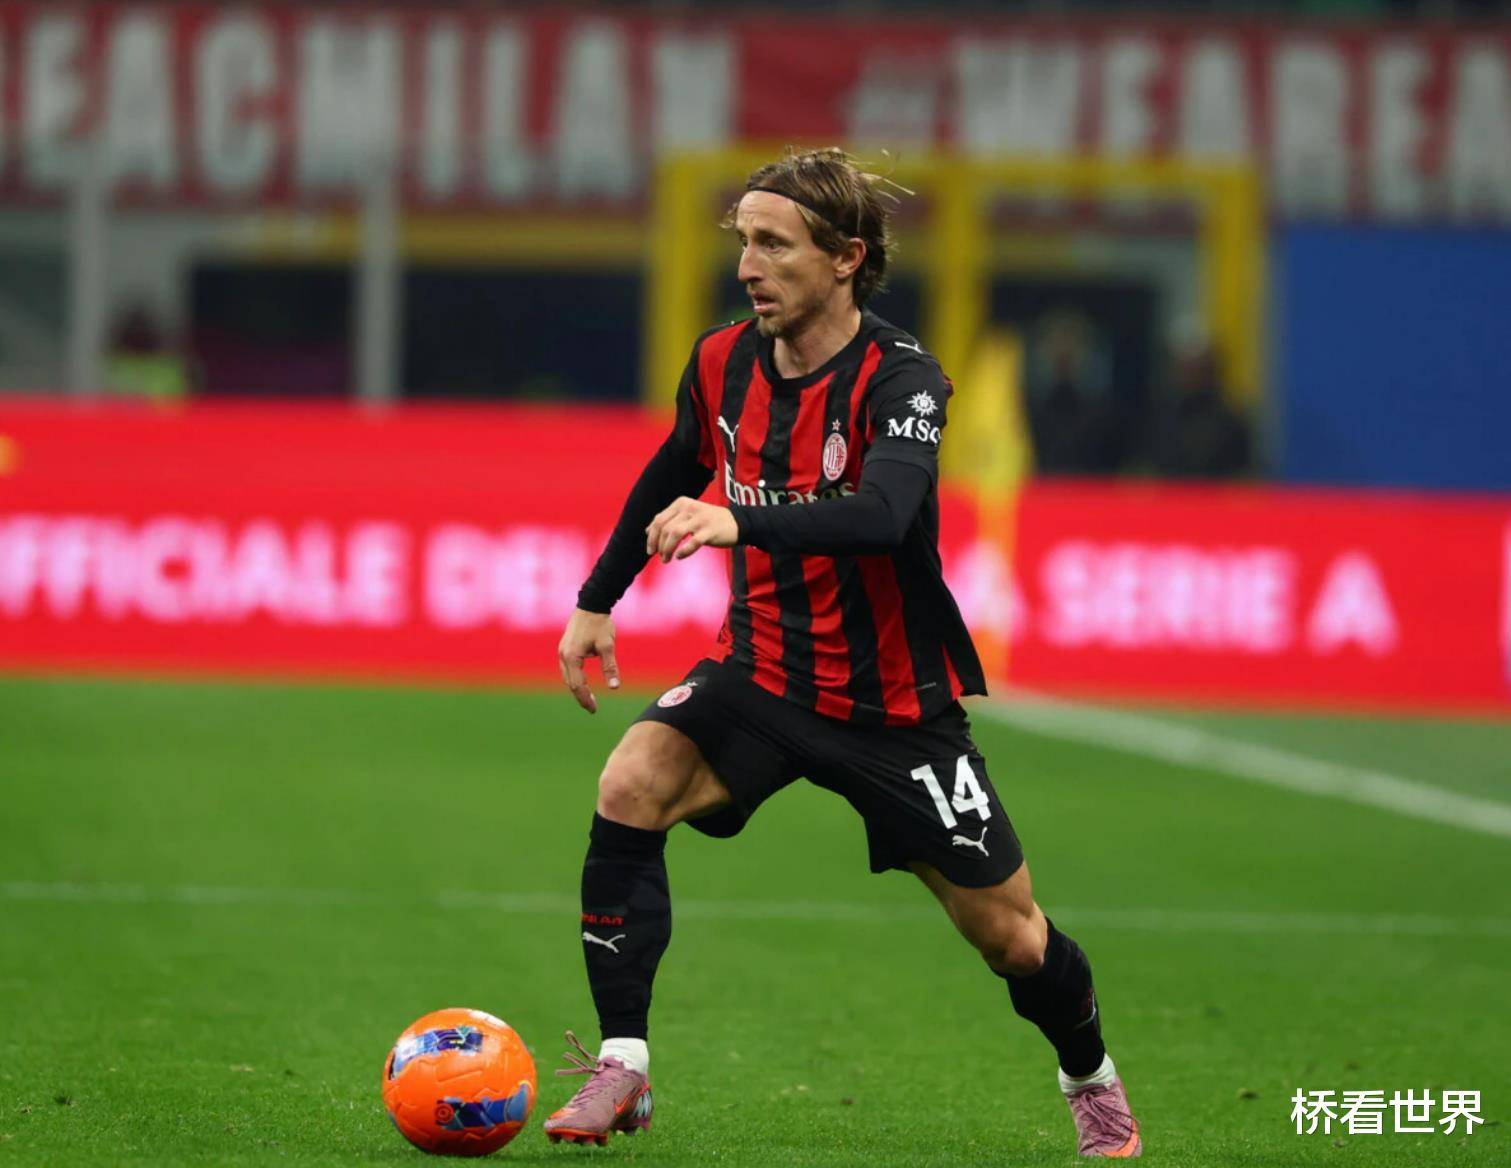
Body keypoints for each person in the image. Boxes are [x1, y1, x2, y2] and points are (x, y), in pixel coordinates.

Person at [548, 147, 1142, 1159]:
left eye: (773, 245)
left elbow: (883, 512)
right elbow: (672, 466)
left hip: (893, 708)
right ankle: (623, 1065)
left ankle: (1088, 1076)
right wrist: (595, 599)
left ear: (844, 258)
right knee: (631, 781)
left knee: (1010, 937)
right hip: (760, 672)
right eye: (743, 241)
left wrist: (739, 518)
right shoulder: (721, 361)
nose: (748, 266)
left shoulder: (901, 378)